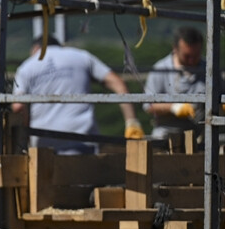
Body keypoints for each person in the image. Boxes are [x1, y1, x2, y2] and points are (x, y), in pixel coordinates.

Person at [11, 36, 144, 155]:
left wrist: (24, 138)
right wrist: (132, 122)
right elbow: (118, 83)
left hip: (44, 144)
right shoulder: (81, 56)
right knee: (84, 178)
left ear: (35, 48)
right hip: (83, 139)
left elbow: (18, 107)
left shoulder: (26, 68)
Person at [143, 26, 206, 149]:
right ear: (175, 49)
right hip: (165, 137)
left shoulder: (208, 69)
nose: (192, 60)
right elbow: (148, 105)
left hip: (198, 137)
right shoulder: (160, 70)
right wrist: (174, 107)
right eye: (187, 56)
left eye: (196, 55)